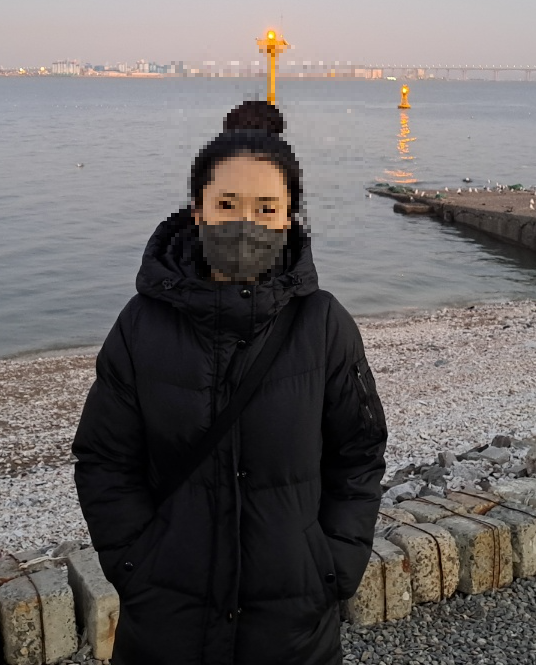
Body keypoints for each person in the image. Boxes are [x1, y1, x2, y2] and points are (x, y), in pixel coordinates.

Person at [72, 100, 388, 665]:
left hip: (292, 625)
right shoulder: (142, 325)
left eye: (267, 208)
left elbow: (359, 453)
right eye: (227, 204)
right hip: (167, 618)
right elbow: (104, 459)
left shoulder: (323, 325)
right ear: (197, 211)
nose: (246, 224)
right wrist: (133, 562)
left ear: (289, 217)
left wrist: (334, 565)